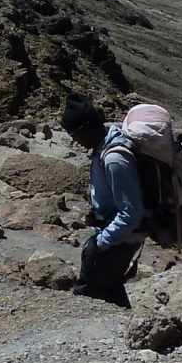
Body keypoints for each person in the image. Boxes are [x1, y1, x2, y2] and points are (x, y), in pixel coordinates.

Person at [62, 93, 145, 307]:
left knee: (90, 291)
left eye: (74, 134)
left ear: (87, 127)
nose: (74, 140)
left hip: (121, 237)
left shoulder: (114, 158)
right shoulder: (104, 145)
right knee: (109, 287)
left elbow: (131, 212)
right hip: (117, 232)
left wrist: (101, 242)